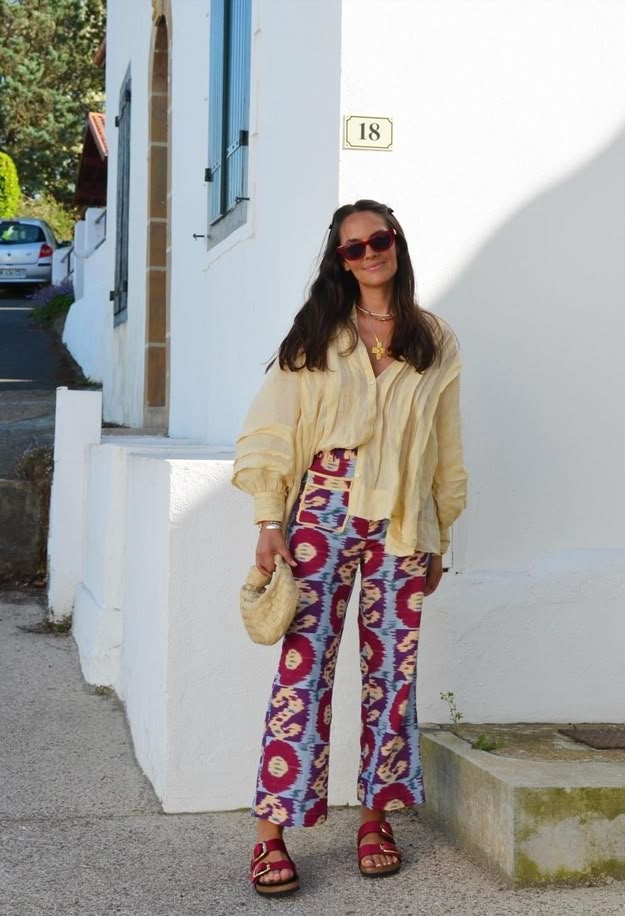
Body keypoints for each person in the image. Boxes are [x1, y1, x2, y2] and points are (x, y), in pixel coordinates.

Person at [232, 199, 467, 897]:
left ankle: (375, 820)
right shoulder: (320, 333)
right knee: (303, 668)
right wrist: (269, 520)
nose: (370, 253)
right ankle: (271, 833)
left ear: (398, 241)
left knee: (393, 672)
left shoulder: (435, 338)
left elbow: (446, 448)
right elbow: (272, 429)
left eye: (379, 239)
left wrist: (440, 534)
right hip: (325, 507)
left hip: (403, 519)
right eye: (353, 247)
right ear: (340, 261)